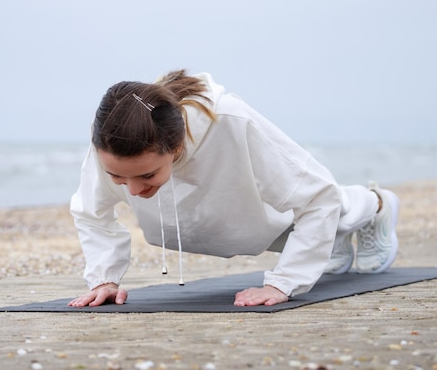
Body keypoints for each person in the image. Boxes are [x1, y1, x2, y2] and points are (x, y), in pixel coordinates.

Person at [67, 70, 399, 308]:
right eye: (120, 178)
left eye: (147, 176)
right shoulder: (111, 141)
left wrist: (283, 282)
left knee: (331, 210)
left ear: (177, 147)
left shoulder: (232, 121)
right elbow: (91, 213)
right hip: (233, 226)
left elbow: (317, 196)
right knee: (299, 231)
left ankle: (377, 204)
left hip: (271, 213)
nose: (134, 191)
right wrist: (104, 278)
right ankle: (333, 243)